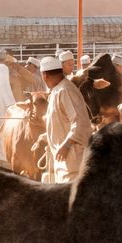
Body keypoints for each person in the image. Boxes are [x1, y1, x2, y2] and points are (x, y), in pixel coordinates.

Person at [40, 55, 92, 183]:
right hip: (64, 162)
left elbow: (80, 122)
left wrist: (66, 145)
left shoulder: (65, 90)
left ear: (44, 75)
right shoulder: (57, 90)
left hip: (73, 161)